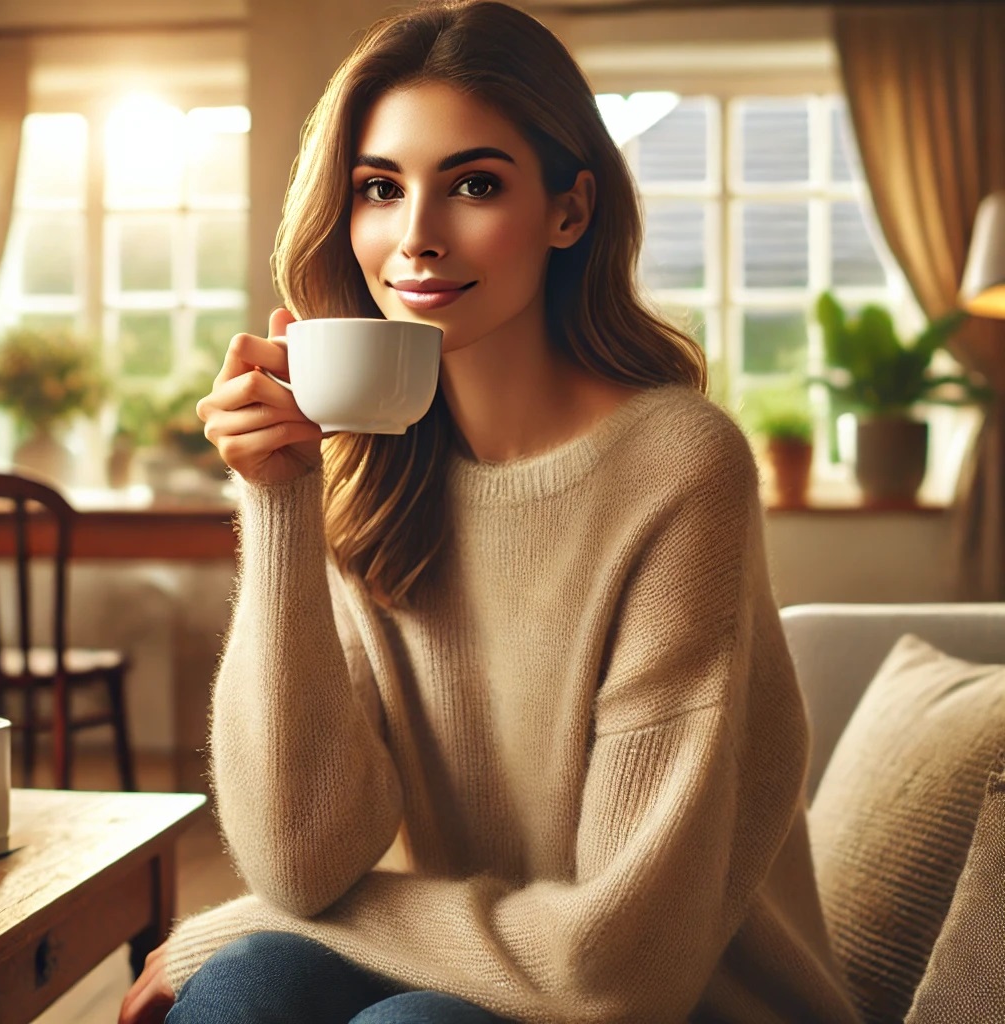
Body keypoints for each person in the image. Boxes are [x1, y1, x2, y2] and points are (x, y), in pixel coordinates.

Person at [120, 2, 863, 1022]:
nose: (415, 236)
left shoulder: (680, 468)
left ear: (569, 210)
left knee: (391, 1015)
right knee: (246, 989)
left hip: (687, 1004)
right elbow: (302, 863)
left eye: (473, 184)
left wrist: (245, 918)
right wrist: (281, 501)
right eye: (379, 188)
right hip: (490, 973)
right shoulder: (368, 472)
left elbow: (619, 969)